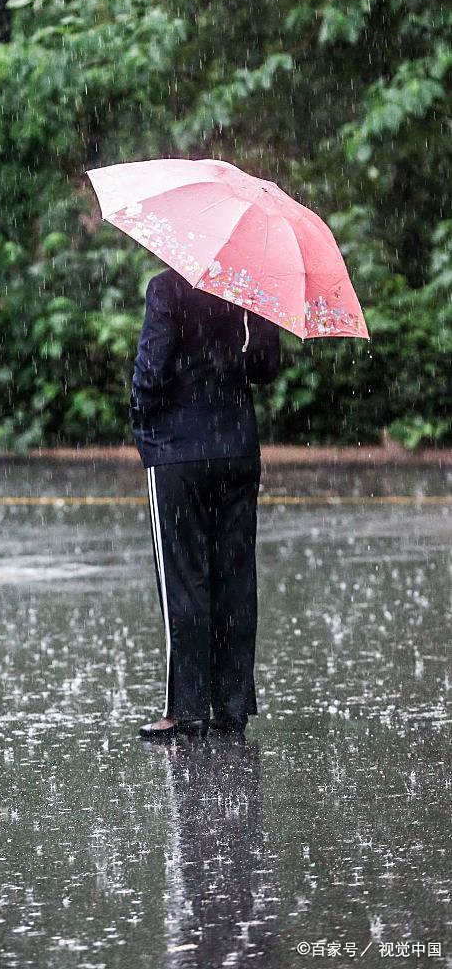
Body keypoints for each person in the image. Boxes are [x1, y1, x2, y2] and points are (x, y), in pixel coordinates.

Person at [131, 267, 281, 740]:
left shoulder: (167, 286)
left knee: (185, 579)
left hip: (178, 453)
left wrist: (143, 422)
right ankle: (231, 706)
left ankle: (186, 708)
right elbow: (265, 368)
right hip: (237, 447)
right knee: (235, 577)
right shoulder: (251, 284)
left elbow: (151, 369)